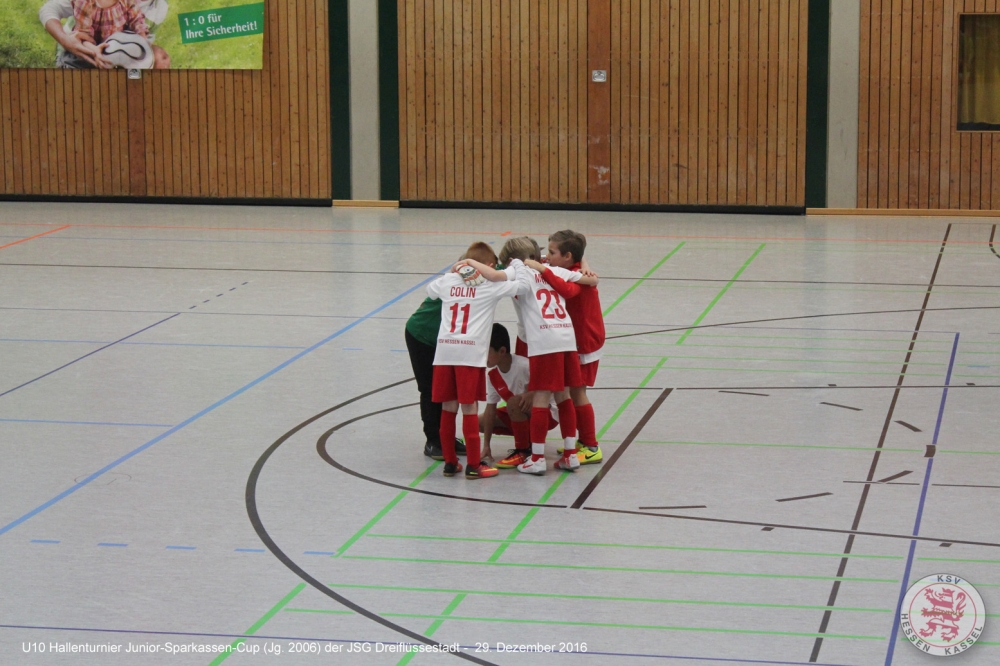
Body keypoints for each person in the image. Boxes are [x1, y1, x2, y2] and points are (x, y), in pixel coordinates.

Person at [459, 237, 597, 475]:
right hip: (566, 337)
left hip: (544, 340)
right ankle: (570, 455)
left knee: (541, 397)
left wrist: (468, 262)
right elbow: (591, 280)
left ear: (512, 260)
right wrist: (583, 261)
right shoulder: (551, 269)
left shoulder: (518, 272)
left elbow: (494, 276)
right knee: (564, 396)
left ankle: (537, 458)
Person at [426, 244, 520, 479]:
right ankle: (474, 465)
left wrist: (455, 270)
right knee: (469, 408)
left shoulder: (448, 281)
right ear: (489, 266)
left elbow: (430, 291)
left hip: (445, 352)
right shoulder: (490, 285)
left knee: (448, 407)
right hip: (469, 354)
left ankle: (450, 463)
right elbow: (518, 281)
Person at [525, 230, 605, 464]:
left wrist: (543, 269)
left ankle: (590, 445)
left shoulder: (576, 276)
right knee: (571, 392)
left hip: (585, 339)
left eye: (552, 252)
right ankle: (581, 441)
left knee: (578, 392)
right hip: (576, 339)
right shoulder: (570, 267)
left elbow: (570, 284)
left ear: (568, 256)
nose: (547, 257)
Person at [480, 323, 558, 467]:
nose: (483, 355)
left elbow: (553, 383)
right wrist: (486, 445)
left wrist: (532, 393)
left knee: (513, 403)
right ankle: (528, 436)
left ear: (502, 351)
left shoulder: (524, 365)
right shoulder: (492, 376)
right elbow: (490, 410)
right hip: (521, 412)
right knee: (480, 422)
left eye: (487, 351)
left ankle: (523, 450)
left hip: (548, 412)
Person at [40, 0, 171, 69]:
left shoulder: (159, 6)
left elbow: (138, 23)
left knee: (160, 58)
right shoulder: (85, 3)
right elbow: (49, 9)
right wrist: (64, 40)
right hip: (84, 50)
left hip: (116, 51)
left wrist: (143, 40)